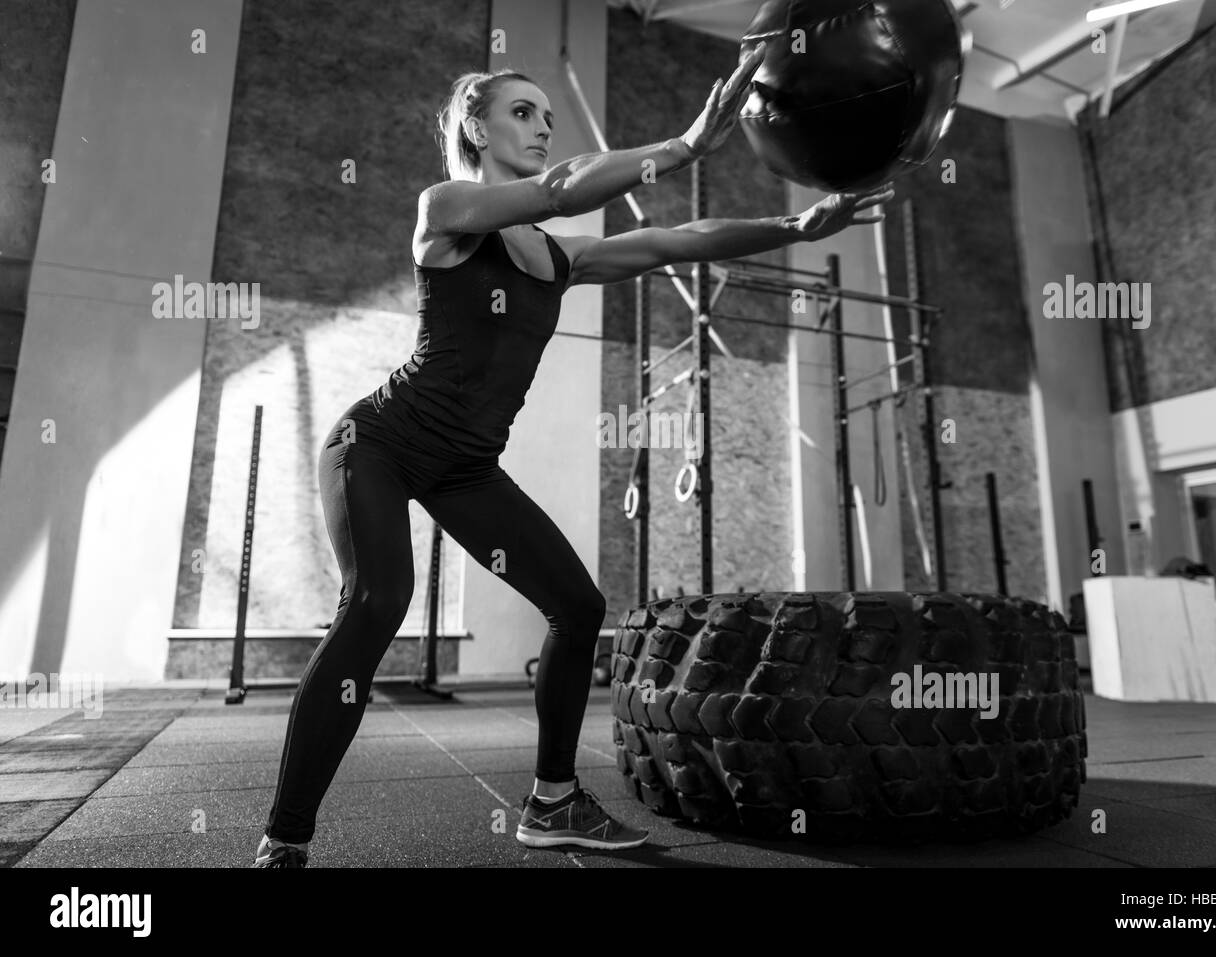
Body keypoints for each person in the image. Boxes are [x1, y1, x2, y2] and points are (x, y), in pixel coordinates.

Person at [253, 42, 892, 867]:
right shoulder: (444, 210)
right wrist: (687, 144)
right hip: (376, 444)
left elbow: (675, 240)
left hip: (464, 468)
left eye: (549, 119)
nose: (542, 128)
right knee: (379, 601)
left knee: (578, 606)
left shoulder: (560, 259)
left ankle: (553, 800)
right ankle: (285, 839)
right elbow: (560, 187)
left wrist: (795, 227)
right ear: (474, 130)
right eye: (523, 112)